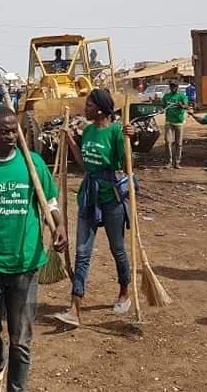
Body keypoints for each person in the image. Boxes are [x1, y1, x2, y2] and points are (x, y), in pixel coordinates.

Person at [0, 106, 68, 391]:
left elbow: (51, 202)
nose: (10, 136)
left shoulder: (32, 163)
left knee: (22, 340)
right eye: (4, 131)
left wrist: (58, 225)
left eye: (14, 130)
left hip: (26, 264)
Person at [53, 89, 137, 327]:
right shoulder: (88, 130)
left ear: (100, 108)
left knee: (117, 248)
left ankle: (124, 291)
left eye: (89, 105)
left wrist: (131, 138)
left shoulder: (115, 132)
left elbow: (126, 164)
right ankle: (75, 307)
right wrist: (71, 143)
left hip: (111, 197)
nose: (85, 109)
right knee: (82, 252)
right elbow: (84, 164)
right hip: (89, 196)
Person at [162, 81, 189, 168]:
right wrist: (161, 109)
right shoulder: (166, 96)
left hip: (179, 122)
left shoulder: (182, 96)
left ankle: (177, 162)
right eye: (172, 86)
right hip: (169, 121)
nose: (173, 88)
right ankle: (168, 162)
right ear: (170, 87)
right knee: (167, 141)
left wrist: (181, 105)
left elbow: (186, 106)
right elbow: (163, 106)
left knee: (178, 143)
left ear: (177, 87)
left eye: (175, 86)